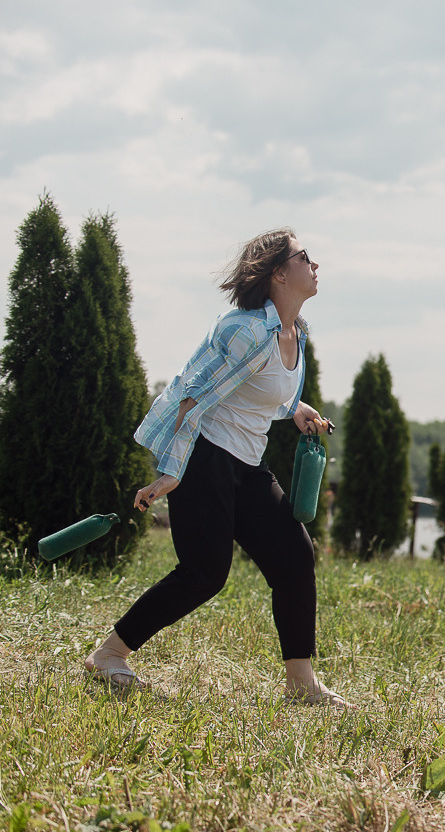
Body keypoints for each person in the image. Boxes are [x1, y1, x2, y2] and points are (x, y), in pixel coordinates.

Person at [84, 228, 350, 707]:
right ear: (279, 273)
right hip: (204, 455)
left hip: (246, 462)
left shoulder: (293, 332)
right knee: (205, 573)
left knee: (294, 557)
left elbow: (257, 390)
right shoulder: (245, 329)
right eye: (305, 257)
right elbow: (193, 397)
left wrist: (296, 408)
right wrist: (172, 471)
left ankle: (301, 684)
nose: (316, 265)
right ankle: (109, 655)